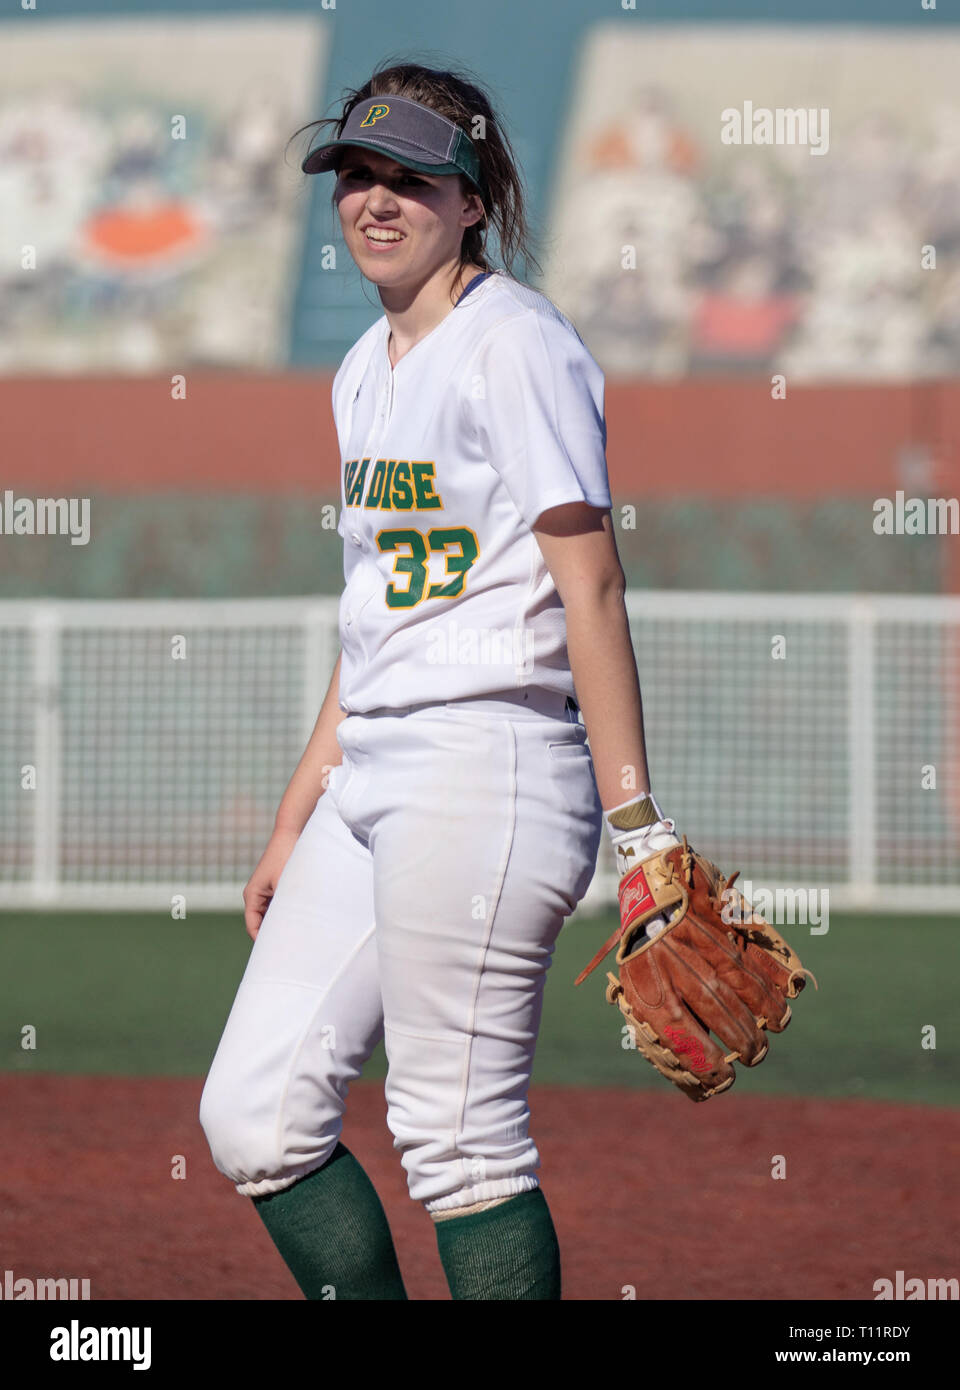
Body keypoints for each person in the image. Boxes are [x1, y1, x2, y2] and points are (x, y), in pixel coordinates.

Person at [198, 58, 680, 1301]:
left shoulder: (515, 346)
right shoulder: (364, 369)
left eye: (410, 174)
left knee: (458, 1144)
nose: (375, 197)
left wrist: (642, 832)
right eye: (356, 173)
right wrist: (303, 803)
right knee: (254, 1115)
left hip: (489, 763)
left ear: (471, 197)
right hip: (377, 769)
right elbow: (379, 613)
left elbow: (591, 586)